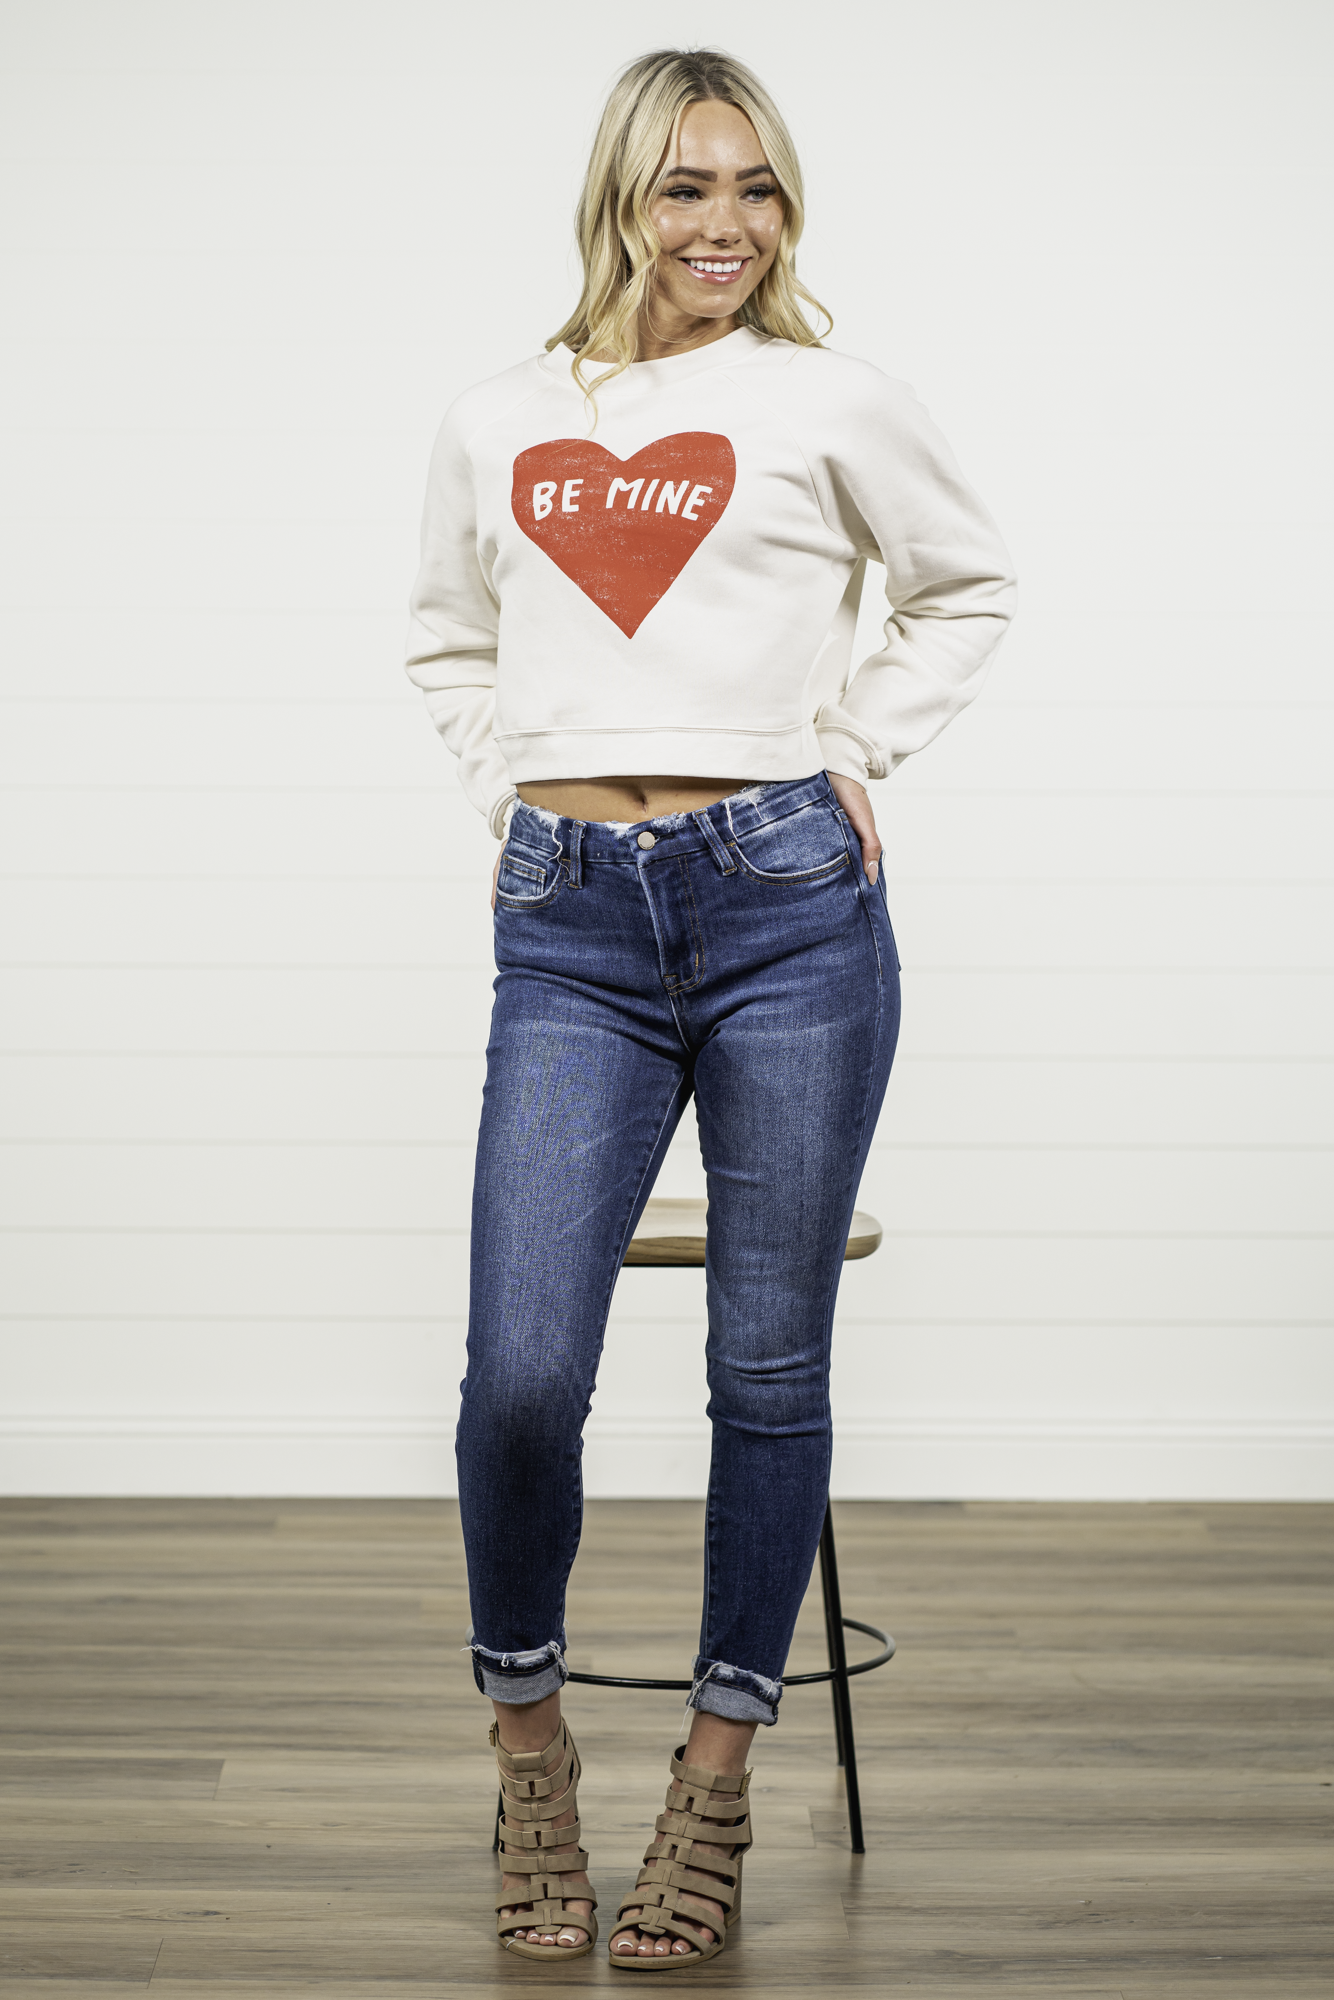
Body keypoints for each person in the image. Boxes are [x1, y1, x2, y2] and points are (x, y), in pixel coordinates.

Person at [405, 46, 1015, 1969]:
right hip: (569, 921)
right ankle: (529, 1758)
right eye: (684, 186)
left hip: (785, 914)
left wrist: (852, 749)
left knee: (765, 1374)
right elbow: (447, 639)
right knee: (522, 1376)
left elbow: (965, 586)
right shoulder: (502, 417)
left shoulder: (832, 399)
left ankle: (714, 1783)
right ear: (621, 196)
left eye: (754, 187)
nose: (723, 225)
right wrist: (513, 800)